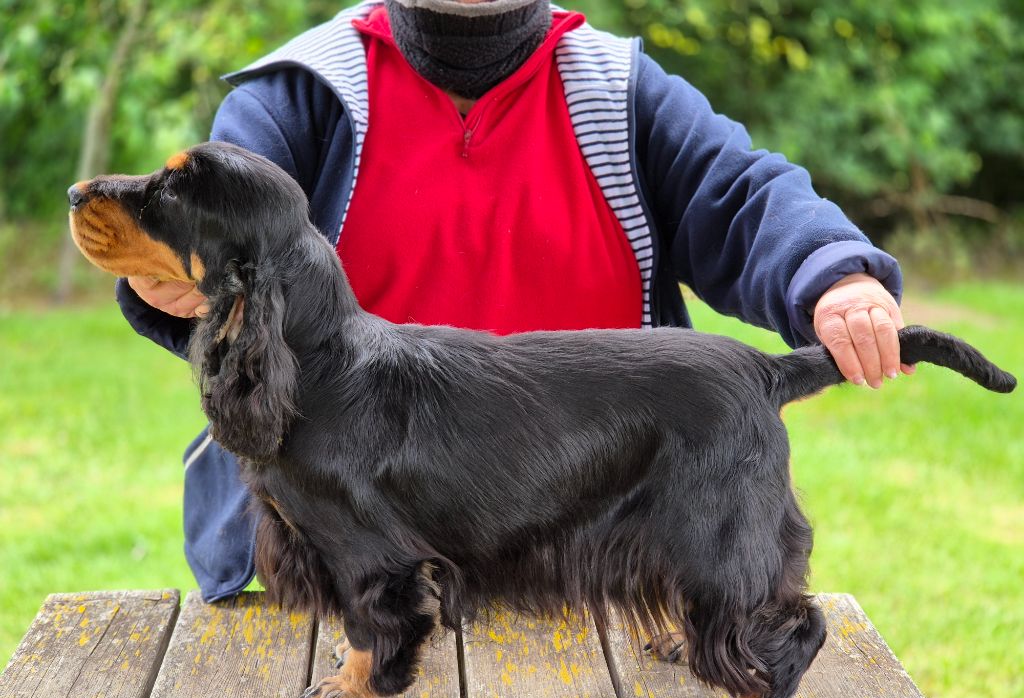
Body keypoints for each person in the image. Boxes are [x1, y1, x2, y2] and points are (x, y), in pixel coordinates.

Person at [115, 0, 911, 601]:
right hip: (342, 560)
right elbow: (208, 225)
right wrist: (169, 284)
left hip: (601, 549)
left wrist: (833, 272)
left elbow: (742, 194)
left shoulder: (624, 93)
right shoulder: (299, 92)